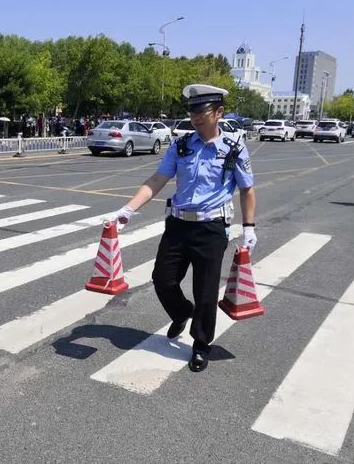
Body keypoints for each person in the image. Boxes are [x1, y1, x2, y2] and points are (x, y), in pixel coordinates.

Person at [108, 84, 257, 373]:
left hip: (212, 229)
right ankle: (181, 312)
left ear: (219, 112)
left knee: (205, 292)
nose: (195, 118)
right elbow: (157, 179)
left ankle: (201, 345)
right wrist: (128, 210)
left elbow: (247, 190)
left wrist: (249, 227)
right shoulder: (181, 145)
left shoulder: (234, 148)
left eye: (201, 112)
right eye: (192, 112)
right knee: (162, 279)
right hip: (178, 225)